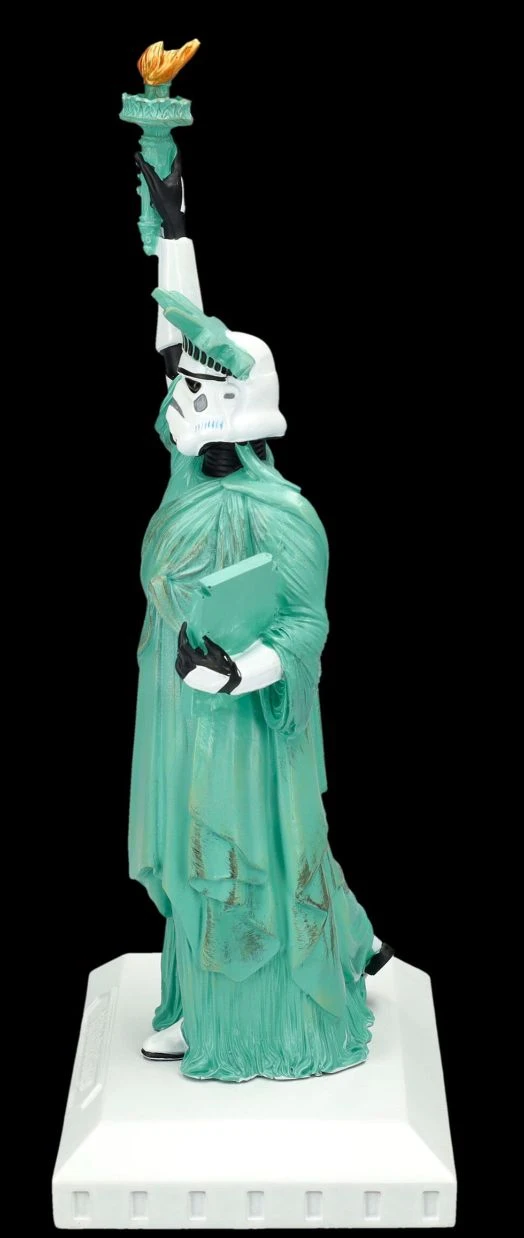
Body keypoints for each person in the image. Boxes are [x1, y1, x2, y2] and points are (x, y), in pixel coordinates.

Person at [128, 150, 393, 1081]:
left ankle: (252, 1011)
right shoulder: (186, 474)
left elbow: (306, 629)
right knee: (182, 847)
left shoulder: (284, 516)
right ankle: (198, 994)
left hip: (241, 717)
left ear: (237, 405)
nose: (179, 398)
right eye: (181, 390)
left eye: (199, 392)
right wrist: (175, 229)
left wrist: (241, 672)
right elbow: (175, 339)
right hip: (175, 692)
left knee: (247, 850)